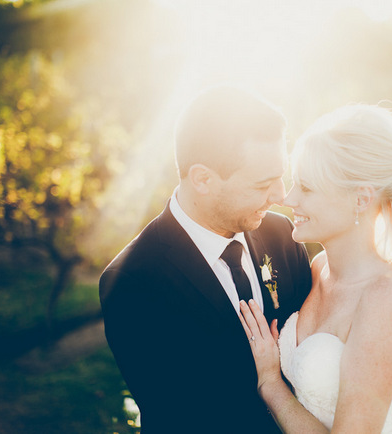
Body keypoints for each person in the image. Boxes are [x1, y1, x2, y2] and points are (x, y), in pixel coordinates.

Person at [99, 85, 312, 433]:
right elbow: (183, 415)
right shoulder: (133, 282)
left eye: (280, 176)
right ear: (203, 179)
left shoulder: (282, 236)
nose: (281, 195)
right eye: (263, 184)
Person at [239, 104, 392, 433]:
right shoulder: (318, 268)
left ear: (361, 199)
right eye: (294, 183)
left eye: (307, 188)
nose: (289, 198)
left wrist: (271, 384)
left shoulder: (388, 297)